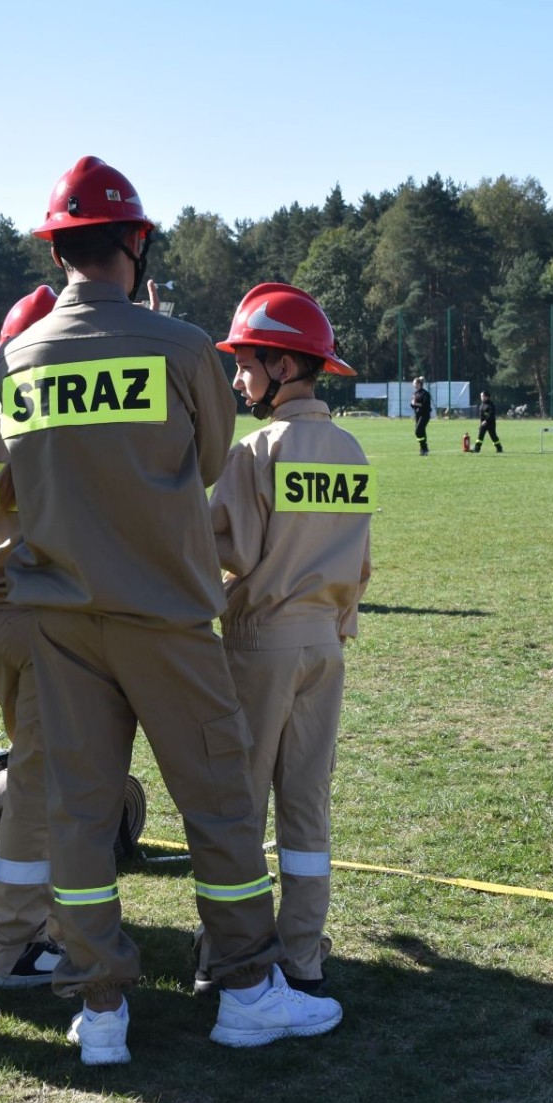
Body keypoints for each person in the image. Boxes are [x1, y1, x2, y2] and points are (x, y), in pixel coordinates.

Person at [0, 156, 339, 1066]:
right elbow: (210, 466)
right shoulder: (183, 348)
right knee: (221, 804)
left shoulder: (19, 356)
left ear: (60, 248)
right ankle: (247, 991)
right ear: (136, 244)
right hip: (163, 614)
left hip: (60, 618)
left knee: (77, 813)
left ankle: (99, 1005)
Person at [206, 282, 371, 997]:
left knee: (236, 806)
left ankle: (230, 957)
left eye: (246, 364)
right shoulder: (351, 449)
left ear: (282, 366)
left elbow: (226, 550)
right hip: (326, 647)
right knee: (306, 805)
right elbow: (360, 564)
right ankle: (302, 954)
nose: (238, 379)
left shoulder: (254, 450)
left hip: (258, 644)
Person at [0, 282, 68, 990]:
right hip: (47, 624)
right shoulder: (56, 433)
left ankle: (37, 929)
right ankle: (19, 941)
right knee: (39, 784)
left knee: (36, 771)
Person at [410, 376, 431, 455]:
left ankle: (424, 447)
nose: (413, 385)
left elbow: (425, 405)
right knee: (420, 432)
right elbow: (412, 405)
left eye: (414, 383)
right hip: (418, 415)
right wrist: (412, 404)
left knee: (418, 431)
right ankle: (424, 449)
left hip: (425, 415)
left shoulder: (425, 393)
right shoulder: (415, 394)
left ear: (419, 384)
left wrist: (416, 404)